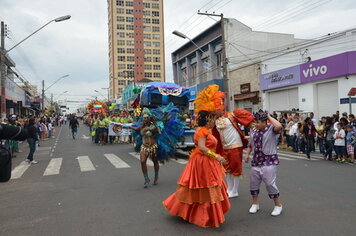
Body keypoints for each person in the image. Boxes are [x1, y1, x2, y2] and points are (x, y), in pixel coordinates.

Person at [163, 86, 230, 228]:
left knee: (207, 188)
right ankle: (202, 215)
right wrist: (217, 157)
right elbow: (202, 147)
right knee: (204, 188)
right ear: (208, 119)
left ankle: (206, 213)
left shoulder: (207, 129)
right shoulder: (201, 131)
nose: (214, 120)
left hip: (207, 162)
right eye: (212, 118)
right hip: (202, 162)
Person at [244, 110, 283, 217]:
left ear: (265, 122)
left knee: (270, 183)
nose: (255, 124)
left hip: (269, 161)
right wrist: (247, 155)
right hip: (256, 161)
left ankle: (278, 205)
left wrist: (269, 117)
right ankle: (255, 203)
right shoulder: (253, 131)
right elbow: (250, 145)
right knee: (253, 183)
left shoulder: (271, 129)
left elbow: (279, 126)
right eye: (255, 122)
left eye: (258, 122)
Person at [214, 106, 254, 198]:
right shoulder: (215, 120)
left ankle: (235, 190)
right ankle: (229, 188)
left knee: (236, 169)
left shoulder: (232, 114)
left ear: (221, 109)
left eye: (215, 110)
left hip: (235, 146)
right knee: (226, 169)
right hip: (224, 147)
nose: (214, 112)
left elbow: (247, 118)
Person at [126, 108, 160, 187]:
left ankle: (156, 176)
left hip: (153, 146)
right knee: (142, 161)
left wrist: (147, 128)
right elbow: (136, 129)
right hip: (144, 147)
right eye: (144, 118)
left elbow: (153, 129)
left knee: (155, 161)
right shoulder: (141, 126)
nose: (145, 119)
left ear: (149, 118)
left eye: (146, 118)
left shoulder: (153, 126)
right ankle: (146, 179)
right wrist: (128, 127)